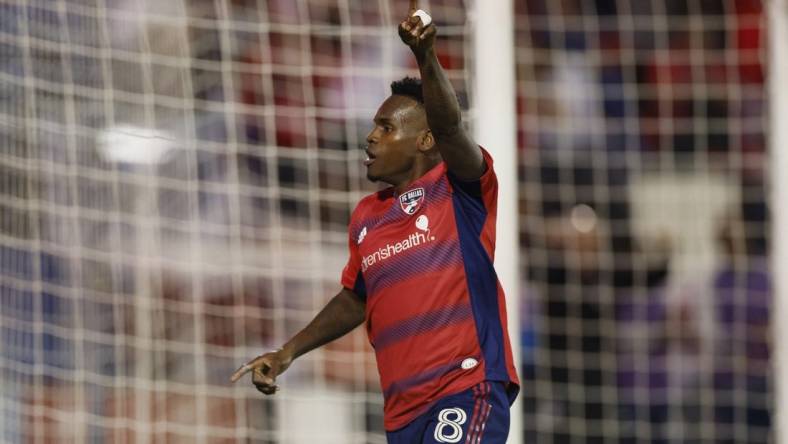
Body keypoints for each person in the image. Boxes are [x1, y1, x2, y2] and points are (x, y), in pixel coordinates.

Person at [230, 2, 519, 442]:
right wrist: (289, 351)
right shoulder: (368, 215)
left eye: (386, 127)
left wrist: (425, 57)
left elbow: (451, 130)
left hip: (464, 388)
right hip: (403, 411)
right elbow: (355, 298)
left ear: (425, 140)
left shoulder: (461, 189)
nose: (371, 137)